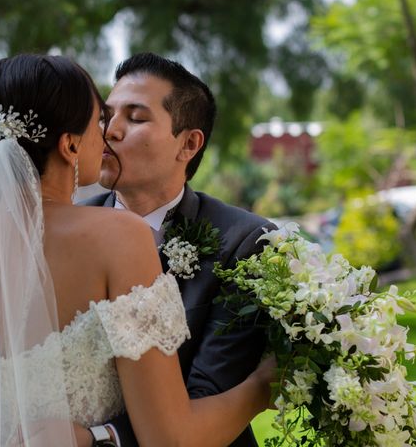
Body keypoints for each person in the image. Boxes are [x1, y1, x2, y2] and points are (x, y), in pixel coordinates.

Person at [0, 54, 275, 447]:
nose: (109, 133)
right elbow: (169, 439)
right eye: (100, 121)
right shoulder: (120, 237)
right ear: (70, 146)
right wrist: (262, 386)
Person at [82, 52, 275, 447]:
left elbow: (205, 399)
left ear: (188, 144)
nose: (110, 132)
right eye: (106, 116)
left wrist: (94, 439)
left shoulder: (245, 242)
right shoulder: (70, 231)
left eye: (135, 118)